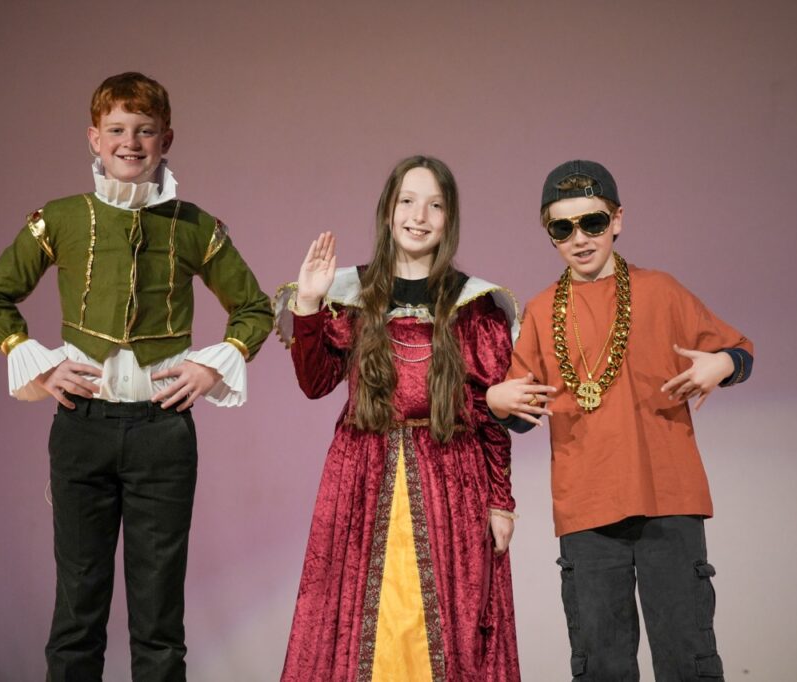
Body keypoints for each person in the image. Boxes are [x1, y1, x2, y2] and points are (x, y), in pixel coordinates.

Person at [0, 72, 273, 681]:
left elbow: (255, 309)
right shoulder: (61, 218)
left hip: (163, 434)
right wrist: (40, 362)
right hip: (82, 429)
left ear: (166, 140)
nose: (129, 142)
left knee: (159, 616)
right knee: (77, 610)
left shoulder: (195, 226)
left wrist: (209, 366)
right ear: (94, 138)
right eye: (116, 130)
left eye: (144, 131)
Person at [486, 160, 753, 681]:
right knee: (602, 664)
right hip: (587, 509)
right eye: (562, 228)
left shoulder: (661, 291)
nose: (579, 238)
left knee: (687, 659)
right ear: (549, 233)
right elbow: (520, 411)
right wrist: (497, 401)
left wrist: (722, 365)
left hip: (668, 499)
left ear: (617, 220)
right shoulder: (542, 311)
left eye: (592, 222)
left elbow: (739, 350)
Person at [275, 155, 521, 681]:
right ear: (388, 210)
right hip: (361, 476)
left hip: (451, 479)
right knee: (360, 623)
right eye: (408, 201)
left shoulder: (474, 305)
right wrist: (310, 304)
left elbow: (490, 415)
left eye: (434, 205)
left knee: (449, 628)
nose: (419, 216)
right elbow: (315, 383)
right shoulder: (354, 295)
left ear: (449, 219)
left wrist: (501, 501)